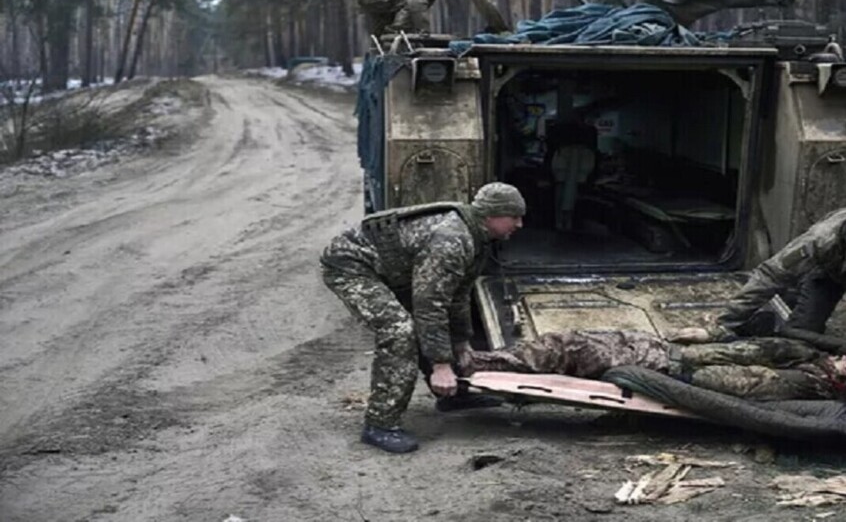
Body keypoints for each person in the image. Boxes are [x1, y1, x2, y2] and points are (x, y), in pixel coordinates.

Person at [320, 183, 526, 453]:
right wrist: (441, 364)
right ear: (492, 216)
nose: (520, 224)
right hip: (352, 266)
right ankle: (380, 424)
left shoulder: (478, 236)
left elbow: (457, 295)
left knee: (433, 322)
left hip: (395, 270)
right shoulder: (452, 239)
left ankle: (453, 395)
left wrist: (462, 343)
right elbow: (430, 305)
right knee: (399, 331)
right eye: (514, 217)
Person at [463, 329, 846, 401]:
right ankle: (476, 365)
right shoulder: (807, 356)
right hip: (660, 347)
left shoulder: (804, 384)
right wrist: (707, 334)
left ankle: (470, 367)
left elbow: (730, 386)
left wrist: (675, 371)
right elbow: (751, 346)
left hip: (661, 366)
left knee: (567, 349)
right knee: (570, 341)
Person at [714, 208, 846, 338]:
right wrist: (726, 322)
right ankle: (778, 310)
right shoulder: (819, 241)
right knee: (804, 334)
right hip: (829, 273)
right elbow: (771, 275)